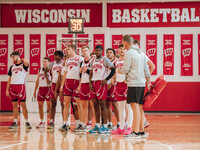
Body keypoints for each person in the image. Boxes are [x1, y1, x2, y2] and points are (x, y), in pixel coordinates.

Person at [119, 35, 151, 138]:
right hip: (141, 83)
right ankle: (141, 131)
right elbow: (147, 68)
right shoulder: (141, 52)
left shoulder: (129, 53)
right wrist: (148, 81)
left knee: (134, 107)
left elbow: (125, 69)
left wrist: (117, 69)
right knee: (140, 107)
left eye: (123, 44)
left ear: (125, 43)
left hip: (134, 83)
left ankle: (136, 131)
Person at [89, 45, 115, 134]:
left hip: (101, 83)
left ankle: (105, 126)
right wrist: (90, 82)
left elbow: (113, 70)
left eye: (99, 50)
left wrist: (106, 80)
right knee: (95, 105)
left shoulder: (105, 60)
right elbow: (91, 72)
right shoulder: (92, 60)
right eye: (96, 50)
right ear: (94, 51)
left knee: (103, 104)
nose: (98, 52)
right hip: (93, 83)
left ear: (102, 51)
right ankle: (97, 125)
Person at [60, 44, 84, 132]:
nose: (67, 51)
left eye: (68, 49)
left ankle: (80, 124)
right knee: (66, 104)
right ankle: (64, 123)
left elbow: (82, 73)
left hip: (76, 82)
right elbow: (65, 73)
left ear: (73, 50)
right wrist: (62, 85)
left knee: (78, 105)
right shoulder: (67, 60)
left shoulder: (80, 58)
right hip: (68, 82)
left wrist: (80, 84)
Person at [111, 44, 133, 135]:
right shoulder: (116, 61)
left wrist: (127, 79)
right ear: (118, 50)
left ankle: (129, 126)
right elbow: (116, 71)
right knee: (120, 108)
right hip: (118, 85)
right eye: (120, 49)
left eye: (124, 49)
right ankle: (121, 127)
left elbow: (131, 71)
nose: (122, 50)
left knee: (128, 107)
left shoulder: (128, 60)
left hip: (126, 84)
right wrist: (113, 78)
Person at [6, 51, 31, 129]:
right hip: (12, 87)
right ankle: (15, 122)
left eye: (13, 57)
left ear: (17, 56)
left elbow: (27, 62)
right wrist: (7, 89)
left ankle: (27, 122)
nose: (12, 59)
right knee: (15, 105)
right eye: (12, 57)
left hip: (21, 86)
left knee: (23, 105)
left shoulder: (23, 65)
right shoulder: (12, 67)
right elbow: (9, 79)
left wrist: (21, 59)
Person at [76, 46, 93, 132]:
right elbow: (81, 76)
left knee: (92, 106)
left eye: (86, 50)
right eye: (83, 51)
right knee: (83, 106)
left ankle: (90, 123)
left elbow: (96, 73)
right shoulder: (82, 62)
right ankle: (82, 124)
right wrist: (79, 86)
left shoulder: (92, 61)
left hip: (90, 84)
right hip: (83, 84)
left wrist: (88, 70)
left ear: (89, 51)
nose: (85, 52)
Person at [46, 51, 64, 129]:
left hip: (62, 84)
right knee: (53, 104)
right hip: (53, 84)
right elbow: (45, 70)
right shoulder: (52, 64)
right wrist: (47, 79)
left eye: (57, 55)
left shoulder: (64, 63)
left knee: (63, 104)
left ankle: (64, 122)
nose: (55, 57)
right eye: (54, 55)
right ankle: (51, 121)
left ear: (60, 56)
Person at [34, 57, 52, 128]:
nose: (44, 63)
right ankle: (42, 121)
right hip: (41, 89)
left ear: (49, 62)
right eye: (43, 61)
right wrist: (35, 91)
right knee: (40, 106)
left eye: (45, 61)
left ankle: (50, 121)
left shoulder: (51, 70)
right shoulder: (40, 70)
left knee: (49, 107)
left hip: (48, 88)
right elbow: (38, 80)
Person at [105, 48, 120, 130]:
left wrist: (111, 83)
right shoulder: (105, 62)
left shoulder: (116, 62)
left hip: (114, 85)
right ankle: (110, 123)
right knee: (107, 105)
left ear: (114, 54)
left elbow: (117, 73)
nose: (109, 54)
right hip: (105, 84)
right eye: (107, 53)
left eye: (111, 52)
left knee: (115, 104)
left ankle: (119, 123)